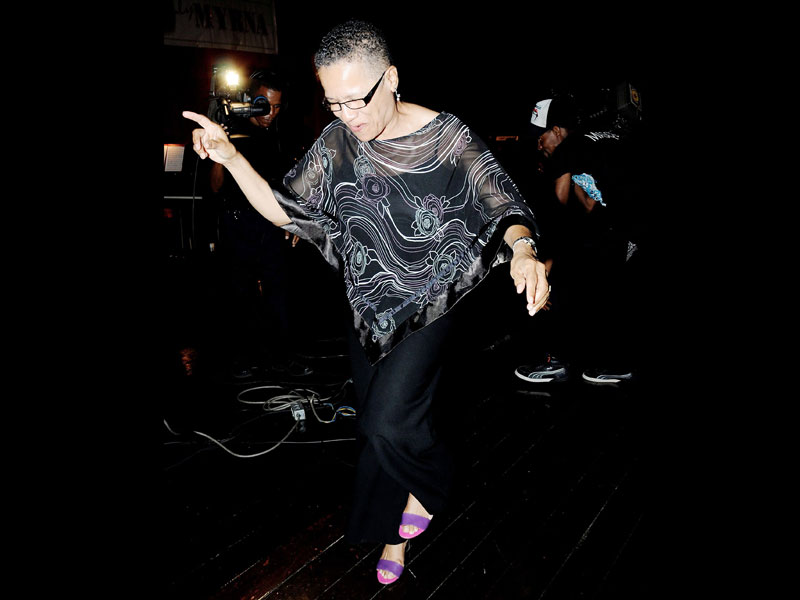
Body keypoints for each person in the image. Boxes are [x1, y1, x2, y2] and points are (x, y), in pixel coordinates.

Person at [184, 20, 549, 585]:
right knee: (375, 432)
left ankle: (434, 483)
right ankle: (393, 538)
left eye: (358, 99)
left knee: (386, 424)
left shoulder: (447, 137)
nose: (348, 115)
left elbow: (503, 203)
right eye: (334, 102)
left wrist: (523, 251)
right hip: (367, 306)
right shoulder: (338, 142)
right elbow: (284, 210)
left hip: (434, 299)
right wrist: (231, 157)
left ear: (392, 78)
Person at [514, 96, 646, 384]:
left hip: (632, 224)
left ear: (557, 131)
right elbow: (590, 205)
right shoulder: (594, 144)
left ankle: (556, 362)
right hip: (630, 223)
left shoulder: (568, 150)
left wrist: (545, 265)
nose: (539, 146)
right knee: (605, 282)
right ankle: (616, 363)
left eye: (541, 138)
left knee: (565, 280)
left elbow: (557, 213)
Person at [209, 69, 312, 378]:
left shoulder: (280, 135)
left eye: (277, 106)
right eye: (265, 105)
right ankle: (243, 358)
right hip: (238, 223)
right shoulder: (234, 131)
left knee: (279, 290)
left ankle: (282, 357)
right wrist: (219, 153)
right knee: (240, 292)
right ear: (251, 100)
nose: (271, 113)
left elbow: (288, 184)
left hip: (270, 223)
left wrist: (292, 220)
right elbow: (215, 186)